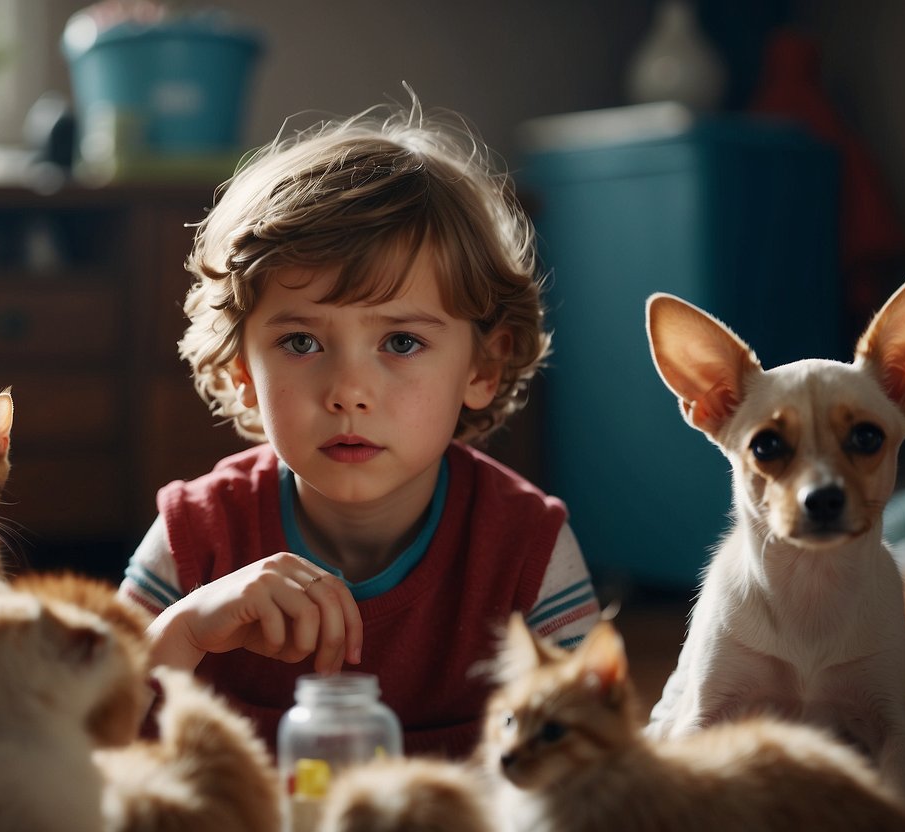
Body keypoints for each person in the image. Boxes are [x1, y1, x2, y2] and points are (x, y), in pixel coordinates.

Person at [120, 95, 600, 757]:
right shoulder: (195, 537)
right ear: (239, 372)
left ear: (483, 367)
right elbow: (84, 747)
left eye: (400, 343)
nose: (347, 393)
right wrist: (184, 633)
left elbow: (599, 768)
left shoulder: (527, 548)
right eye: (300, 343)